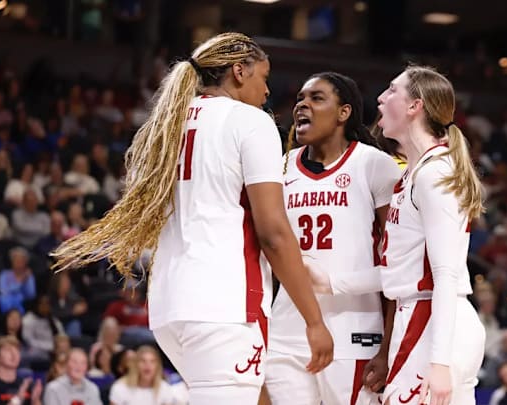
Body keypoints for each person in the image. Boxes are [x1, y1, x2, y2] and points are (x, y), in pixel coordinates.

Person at [50, 32, 333, 404]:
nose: (268, 92)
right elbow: (274, 234)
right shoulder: (250, 121)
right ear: (239, 71)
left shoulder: (165, 126)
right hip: (226, 306)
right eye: (264, 78)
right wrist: (314, 320)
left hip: (171, 305)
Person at [265, 72, 400, 404]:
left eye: (316, 98)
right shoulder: (280, 168)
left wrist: (387, 349)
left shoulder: (376, 166)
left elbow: (400, 266)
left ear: (344, 112)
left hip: (354, 334)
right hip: (287, 332)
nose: (303, 105)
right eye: (300, 98)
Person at [375, 66, 486, 405]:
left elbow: (445, 273)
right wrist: (330, 280)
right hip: (425, 318)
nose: (381, 98)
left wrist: (438, 363)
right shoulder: (416, 171)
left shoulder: (433, 172)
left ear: (415, 106)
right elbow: (402, 267)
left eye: (392, 90)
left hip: (433, 324)